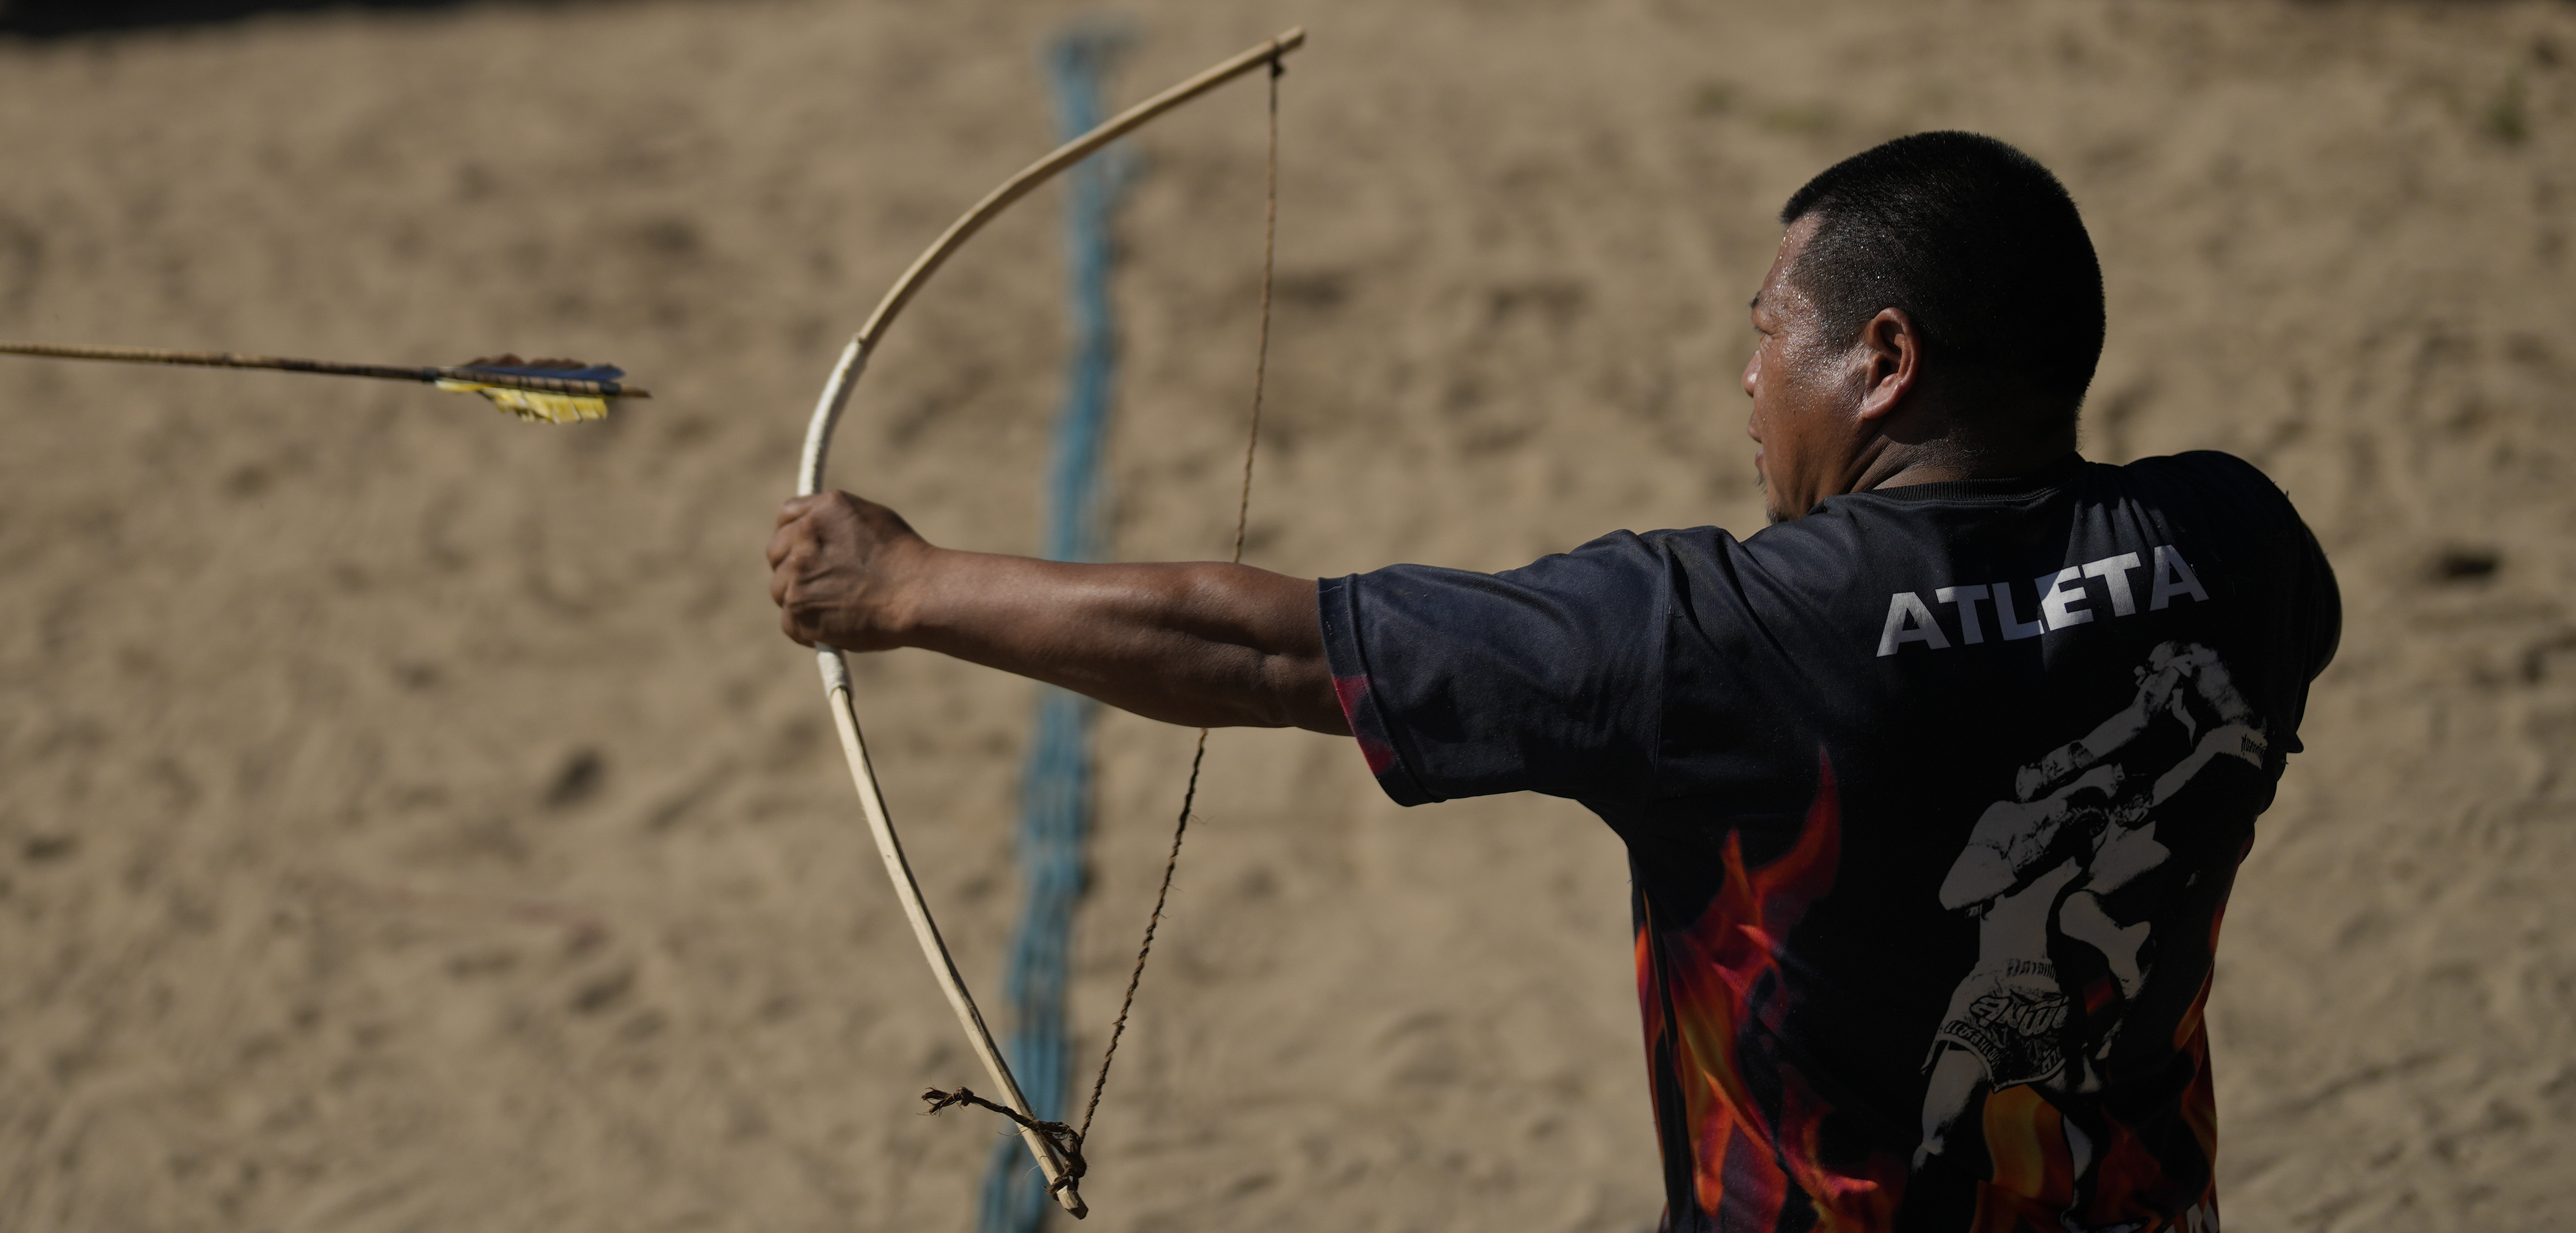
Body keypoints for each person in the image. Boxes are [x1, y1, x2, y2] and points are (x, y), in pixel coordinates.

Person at [769, 129, 2339, 1233]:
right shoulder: (2241, 544)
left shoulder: (1722, 635)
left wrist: (905, 586)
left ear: (1884, 359)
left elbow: (1256, 646)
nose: (1747, 382)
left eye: (1767, 336)